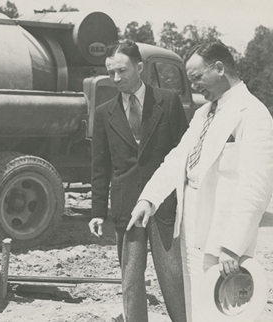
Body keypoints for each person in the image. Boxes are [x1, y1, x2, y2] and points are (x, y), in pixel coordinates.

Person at [127, 41, 273, 322]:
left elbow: (256, 187)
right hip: (191, 230)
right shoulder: (203, 113)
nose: (194, 87)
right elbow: (177, 158)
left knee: (223, 313)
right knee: (194, 308)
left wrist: (233, 244)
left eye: (196, 78)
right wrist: (149, 198)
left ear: (219, 68)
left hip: (223, 239)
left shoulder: (254, 115)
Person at [88, 39, 188, 322]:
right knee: (131, 281)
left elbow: (184, 154)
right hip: (126, 207)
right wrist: (97, 212)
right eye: (111, 73)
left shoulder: (167, 102)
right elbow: (100, 166)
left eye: (122, 71)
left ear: (140, 68)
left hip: (164, 205)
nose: (116, 78)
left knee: (173, 276)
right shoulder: (103, 113)